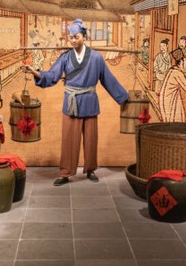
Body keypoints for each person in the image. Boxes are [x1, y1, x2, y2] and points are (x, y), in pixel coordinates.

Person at [23, 19, 129, 186]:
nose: (73, 40)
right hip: (71, 101)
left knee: (91, 139)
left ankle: (90, 169)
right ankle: (66, 172)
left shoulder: (96, 57)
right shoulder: (65, 57)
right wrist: (34, 72)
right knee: (68, 140)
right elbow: (52, 76)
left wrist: (123, 97)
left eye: (76, 37)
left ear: (84, 37)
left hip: (89, 101)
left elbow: (107, 79)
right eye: (70, 37)